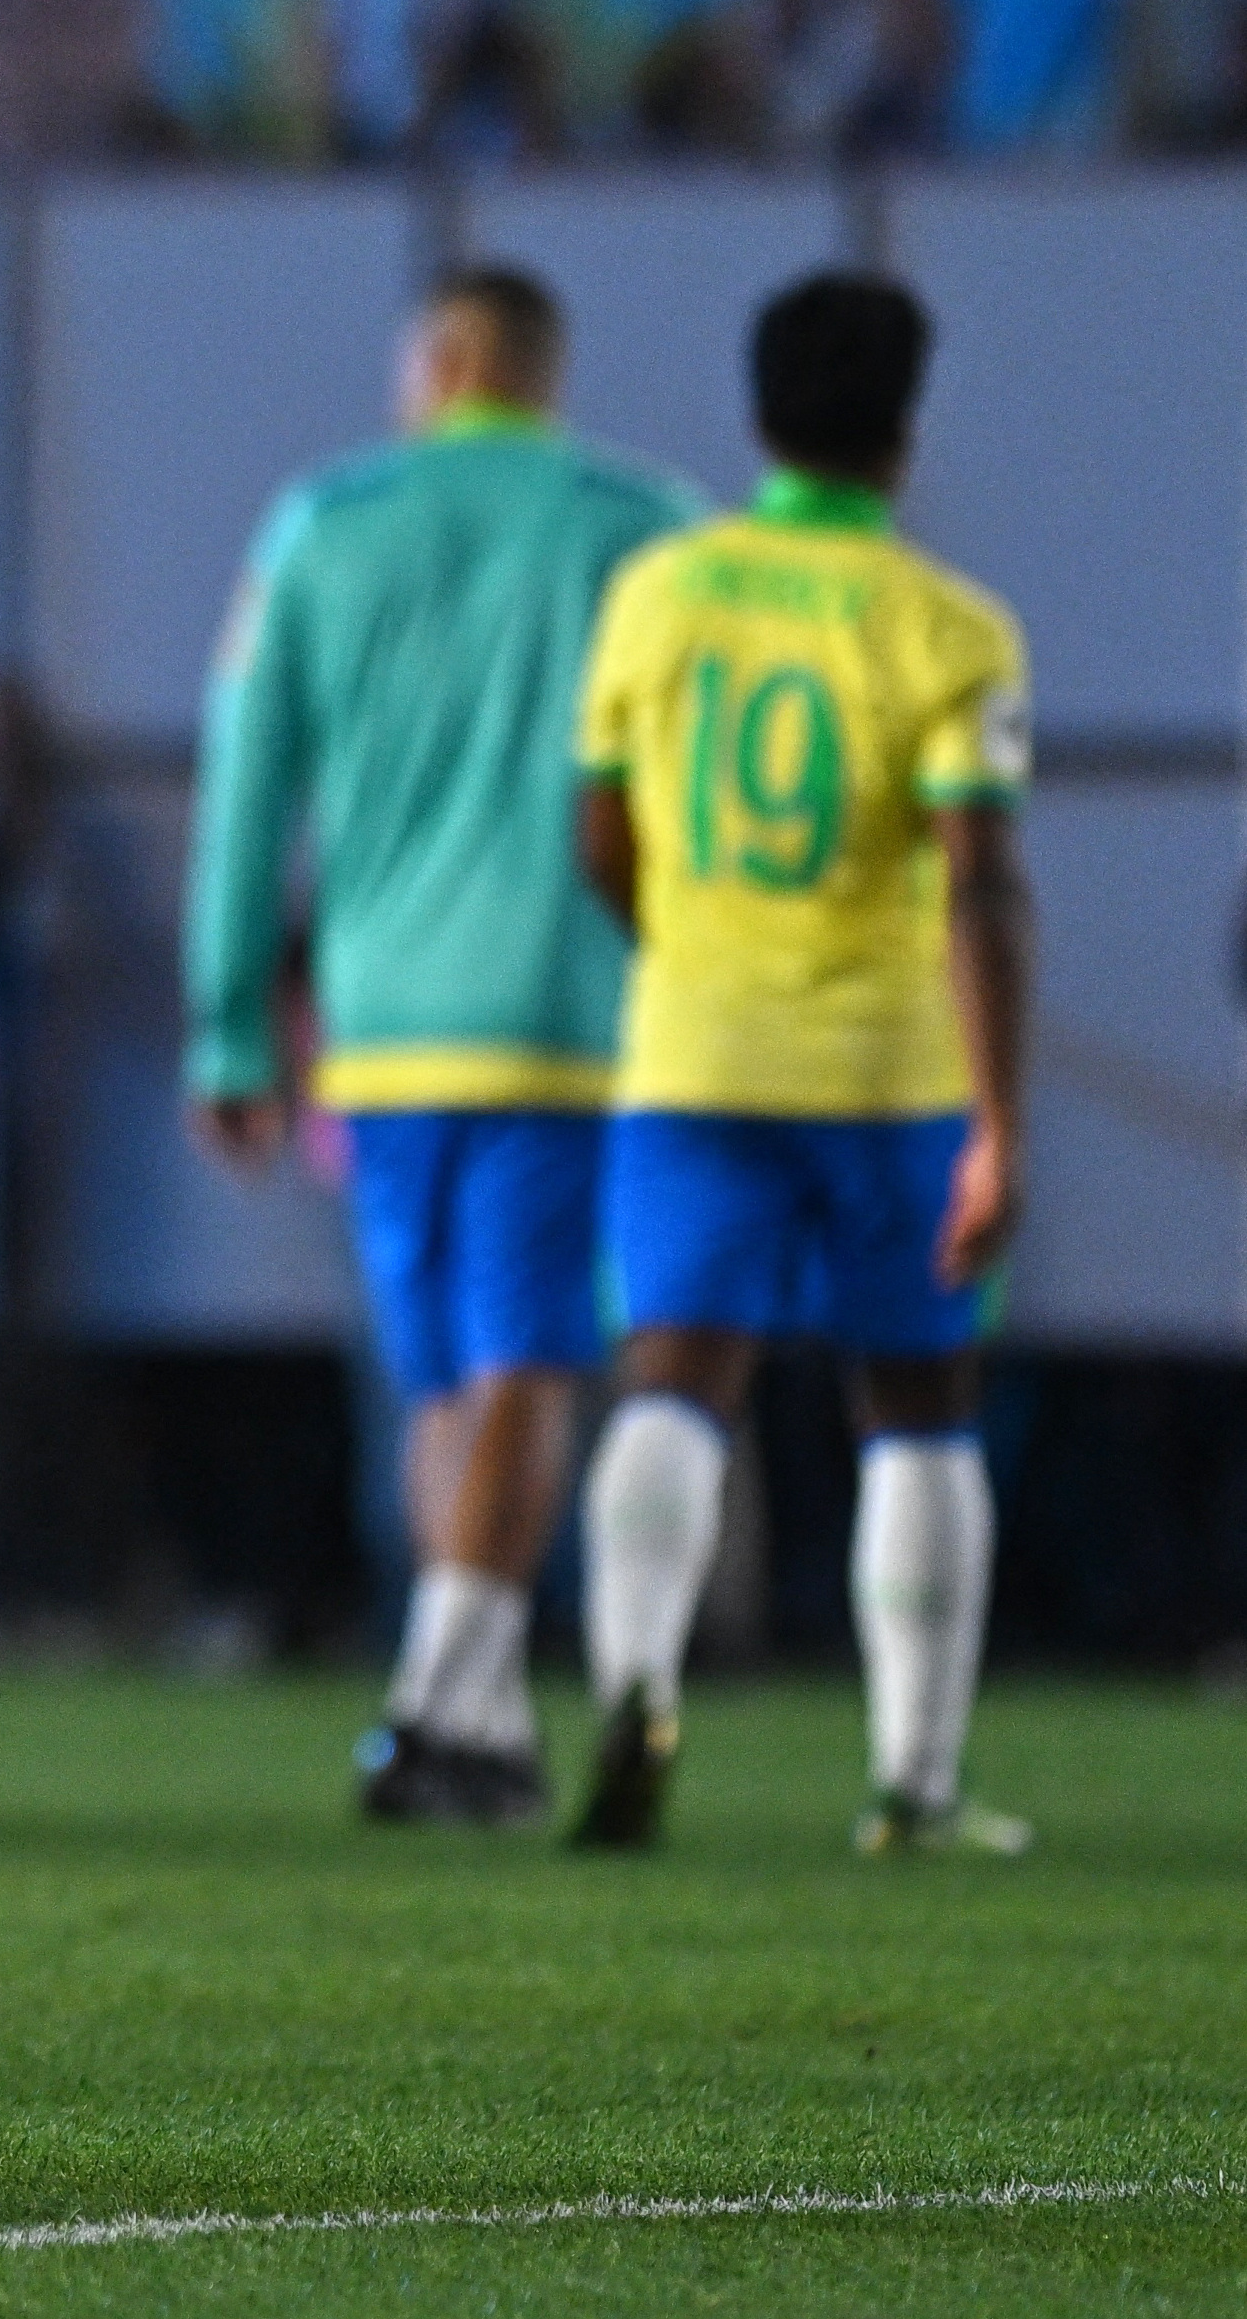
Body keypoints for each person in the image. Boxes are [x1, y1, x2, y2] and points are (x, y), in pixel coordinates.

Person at [183, 267, 694, 1824]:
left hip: (379, 1029)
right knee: (527, 1363)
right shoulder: (647, 525)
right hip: (569, 1011)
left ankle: (460, 1705)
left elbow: (243, 783)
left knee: (438, 1386)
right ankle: (447, 1700)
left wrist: (225, 1027)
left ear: (453, 355)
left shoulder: (316, 527)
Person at [567, 272, 1034, 1857]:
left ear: (756, 415)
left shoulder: (657, 593)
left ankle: (633, 1681)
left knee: (673, 1381)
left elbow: (596, 835)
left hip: (693, 1057)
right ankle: (910, 1779)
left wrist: (691, 949)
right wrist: (1000, 1123)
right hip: (887, 1074)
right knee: (914, 1402)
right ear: (903, 432)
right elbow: (978, 881)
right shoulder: (948, 630)